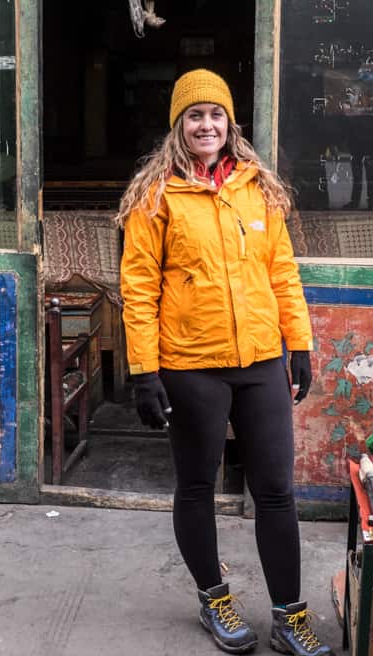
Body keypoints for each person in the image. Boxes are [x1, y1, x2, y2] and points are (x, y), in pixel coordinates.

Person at [117, 69, 331, 656]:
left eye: (215, 115)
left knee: (277, 490)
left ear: (230, 124)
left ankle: (290, 616)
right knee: (195, 484)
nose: (206, 125)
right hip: (191, 363)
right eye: (194, 116)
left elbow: (281, 271)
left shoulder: (259, 188)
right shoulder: (155, 195)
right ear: (178, 127)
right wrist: (144, 371)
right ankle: (214, 598)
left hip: (261, 359)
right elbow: (138, 286)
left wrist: (300, 343)